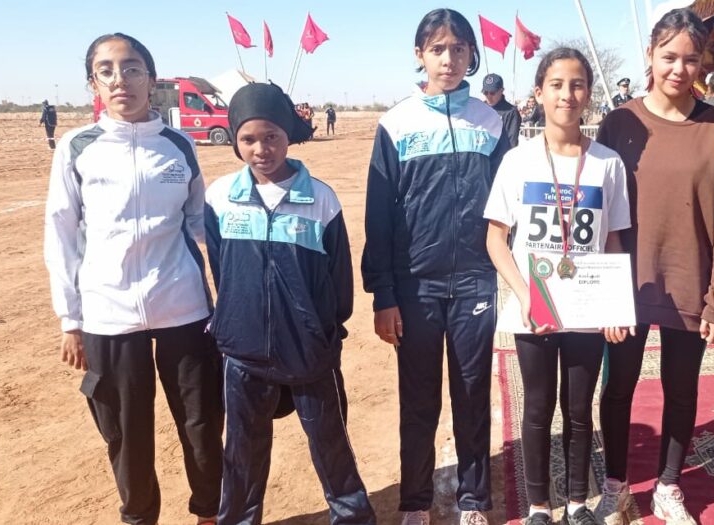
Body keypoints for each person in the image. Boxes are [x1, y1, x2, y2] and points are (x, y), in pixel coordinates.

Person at [43, 33, 223, 525]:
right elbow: (61, 234)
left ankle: (210, 513)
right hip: (108, 312)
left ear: (151, 78)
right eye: (106, 70)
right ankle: (140, 517)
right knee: (126, 430)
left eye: (132, 68)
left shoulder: (179, 145)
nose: (120, 79)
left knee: (203, 421)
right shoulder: (77, 148)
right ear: (93, 83)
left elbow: (198, 221)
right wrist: (70, 319)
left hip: (183, 305)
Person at [593, 8, 714, 525]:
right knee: (619, 386)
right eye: (668, 57)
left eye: (690, 58)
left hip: (690, 281)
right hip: (627, 284)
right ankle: (615, 486)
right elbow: (596, 209)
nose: (679, 69)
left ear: (703, 61)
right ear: (650, 55)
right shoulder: (619, 123)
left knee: (681, 389)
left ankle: (668, 485)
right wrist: (599, 292)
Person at [361, 8, 509, 525]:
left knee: (471, 394)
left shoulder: (491, 124)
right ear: (420, 55)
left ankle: (474, 500)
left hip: (475, 282)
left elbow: (508, 206)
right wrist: (384, 294)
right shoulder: (395, 124)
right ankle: (415, 502)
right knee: (419, 399)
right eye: (438, 49)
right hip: (415, 287)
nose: (449, 59)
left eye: (459, 49)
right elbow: (378, 216)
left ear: (472, 55)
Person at [204, 82, 375, 525]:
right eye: (248, 139)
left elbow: (338, 280)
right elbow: (222, 270)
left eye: (271, 136)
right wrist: (236, 319)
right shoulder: (220, 197)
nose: (261, 149)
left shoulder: (321, 199)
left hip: (309, 350)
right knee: (242, 451)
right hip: (243, 351)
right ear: (235, 140)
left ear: (288, 135)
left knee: (330, 444)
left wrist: (324, 332)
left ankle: (352, 516)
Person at [484, 47, 632, 525]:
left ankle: (576, 502)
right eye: (556, 85)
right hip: (537, 306)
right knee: (538, 407)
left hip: (586, 305)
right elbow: (496, 239)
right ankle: (538, 506)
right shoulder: (517, 161)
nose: (567, 94)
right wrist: (525, 294)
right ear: (539, 93)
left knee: (579, 409)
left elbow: (613, 240)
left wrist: (615, 305)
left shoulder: (608, 163)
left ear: (588, 94)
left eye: (577, 85)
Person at [482, 73, 522, 148]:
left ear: (501, 91)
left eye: (492, 93)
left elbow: (512, 142)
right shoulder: (480, 108)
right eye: (485, 93)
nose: (488, 96)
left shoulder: (511, 112)